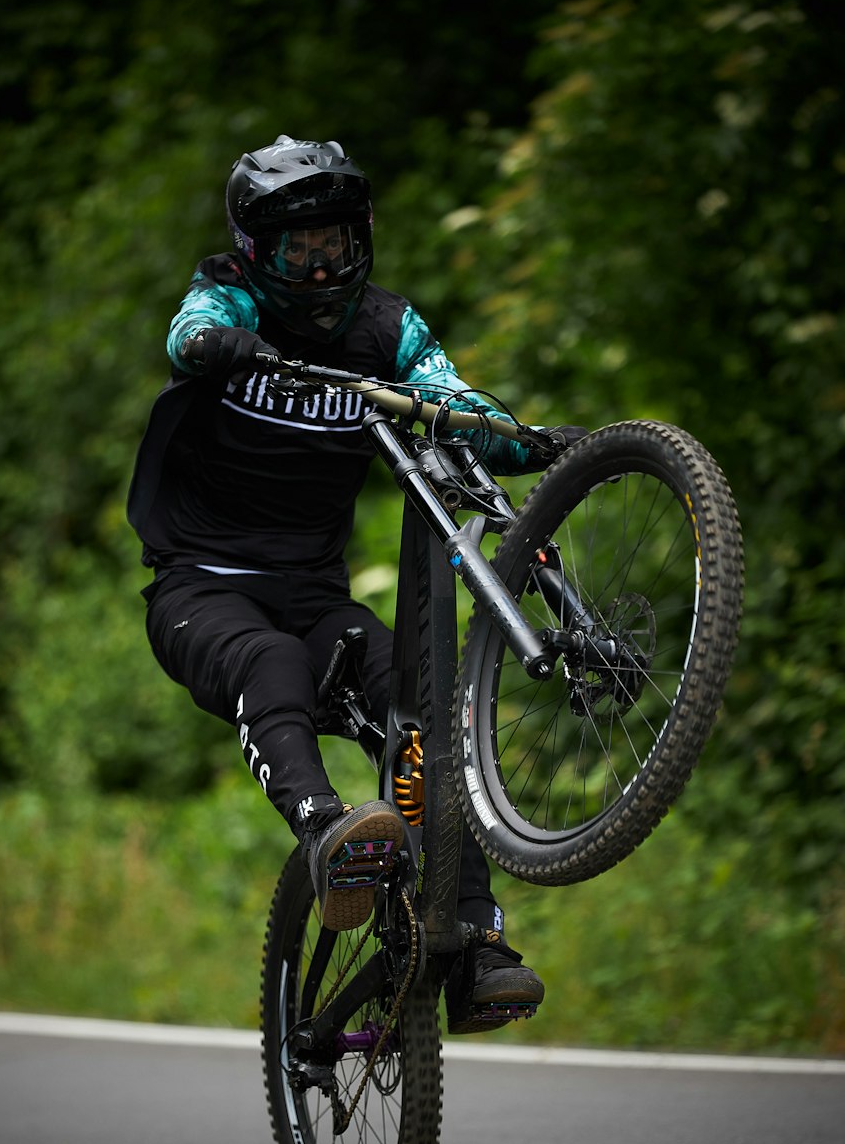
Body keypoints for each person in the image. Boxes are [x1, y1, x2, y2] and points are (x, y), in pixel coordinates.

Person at [127, 134, 584, 1033]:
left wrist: (526, 440)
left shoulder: (387, 329)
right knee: (271, 664)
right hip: (201, 591)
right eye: (299, 245)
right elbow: (187, 333)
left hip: (315, 596)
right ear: (261, 249)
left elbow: (454, 402)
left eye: (334, 239)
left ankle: (472, 942)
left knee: (420, 700)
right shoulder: (227, 298)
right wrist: (227, 346)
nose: (320, 259)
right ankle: (327, 827)